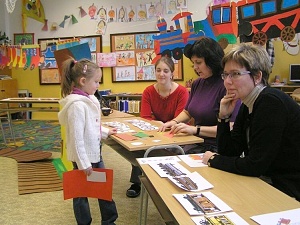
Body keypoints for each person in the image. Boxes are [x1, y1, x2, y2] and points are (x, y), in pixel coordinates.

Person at [202, 43, 300, 201]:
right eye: (225, 75)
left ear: (257, 76)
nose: (227, 81)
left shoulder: (270, 102)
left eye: (235, 74)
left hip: (288, 189)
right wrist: (223, 118)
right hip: (267, 181)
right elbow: (230, 151)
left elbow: (255, 165)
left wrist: (214, 159)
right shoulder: (247, 104)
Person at [58, 58, 118, 224]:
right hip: (82, 159)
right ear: (83, 81)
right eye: (96, 82)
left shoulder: (90, 99)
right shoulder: (76, 106)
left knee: (102, 189)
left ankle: (109, 220)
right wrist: (84, 163)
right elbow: (77, 139)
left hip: (95, 154)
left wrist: (105, 132)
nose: (98, 85)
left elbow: (91, 126)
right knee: (80, 193)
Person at [159, 37, 240, 153]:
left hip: (215, 146)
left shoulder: (227, 85)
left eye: (199, 62)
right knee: (160, 152)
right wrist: (174, 122)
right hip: (195, 141)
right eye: (194, 63)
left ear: (211, 60)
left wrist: (195, 129)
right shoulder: (197, 83)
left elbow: (231, 127)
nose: (195, 67)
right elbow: (188, 111)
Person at [126, 56, 189, 198]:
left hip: (176, 131)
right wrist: (156, 124)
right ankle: (137, 182)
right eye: (158, 70)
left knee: (172, 151)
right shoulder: (148, 91)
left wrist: (163, 124)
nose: (161, 74)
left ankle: (168, 184)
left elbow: (180, 118)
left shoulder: (182, 92)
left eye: (166, 71)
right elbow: (145, 117)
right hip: (154, 129)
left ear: (172, 73)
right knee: (139, 146)